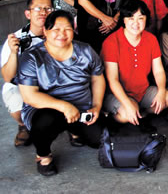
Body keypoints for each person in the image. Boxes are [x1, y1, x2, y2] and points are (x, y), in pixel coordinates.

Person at [18, 10, 105, 176]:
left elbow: (97, 78)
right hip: (45, 109)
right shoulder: (31, 58)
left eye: (67, 29)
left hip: (81, 107)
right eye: (56, 29)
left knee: (98, 139)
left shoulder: (85, 51)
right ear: (45, 31)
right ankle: (43, 156)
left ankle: (73, 130)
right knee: (45, 123)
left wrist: (97, 106)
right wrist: (64, 106)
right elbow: (30, 96)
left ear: (74, 30)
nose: (62, 34)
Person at [102, 0, 168, 126]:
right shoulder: (111, 42)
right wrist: (127, 104)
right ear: (123, 20)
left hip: (142, 91)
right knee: (126, 114)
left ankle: (140, 114)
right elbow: (113, 80)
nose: (136, 23)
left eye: (140, 18)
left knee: (167, 98)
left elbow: (158, 70)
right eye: (130, 18)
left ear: (146, 19)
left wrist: (161, 91)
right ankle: (111, 117)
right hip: (116, 93)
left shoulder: (151, 39)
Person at [2, 0, 53, 147]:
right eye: (38, 8)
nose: (43, 12)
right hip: (25, 86)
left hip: (52, 83)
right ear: (28, 13)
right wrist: (13, 53)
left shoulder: (60, 34)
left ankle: (72, 127)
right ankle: (23, 124)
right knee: (16, 100)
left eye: (48, 9)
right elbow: (7, 77)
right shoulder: (17, 38)